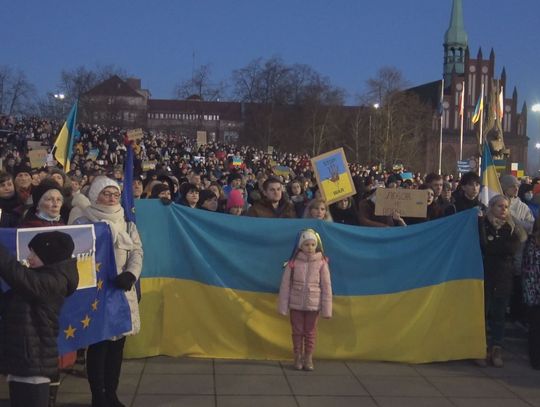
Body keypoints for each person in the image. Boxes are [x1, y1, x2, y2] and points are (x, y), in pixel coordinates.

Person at [70, 176, 143, 407]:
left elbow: (137, 252)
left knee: (116, 348)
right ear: (95, 196)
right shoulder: (83, 222)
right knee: (98, 346)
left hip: (121, 292)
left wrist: (131, 274)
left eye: (115, 194)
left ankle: (112, 394)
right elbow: (76, 257)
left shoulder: (128, 223)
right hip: (96, 296)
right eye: (106, 194)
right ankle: (98, 397)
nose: (112, 198)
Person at [0, 231, 79, 407]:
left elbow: (16, 274)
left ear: (49, 256)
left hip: (35, 362)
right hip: (21, 361)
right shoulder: (37, 279)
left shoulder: (54, 281)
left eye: (34, 253)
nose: (29, 258)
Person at [478, 194, 527, 367]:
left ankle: (497, 346)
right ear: (491, 207)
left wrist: (494, 246)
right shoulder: (483, 225)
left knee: (499, 314)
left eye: (505, 206)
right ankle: (480, 346)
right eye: (499, 206)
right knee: (482, 311)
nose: (503, 210)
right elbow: (484, 245)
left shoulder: (513, 228)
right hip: (485, 273)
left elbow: (510, 248)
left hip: (504, 275)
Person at [277, 229, 332, 371]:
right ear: (301, 246)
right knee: (297, 331)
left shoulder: (321, 263)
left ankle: (308, 357)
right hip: (296, 304)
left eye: (313, 244)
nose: (310, 248)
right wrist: (283, 307)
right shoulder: (293, 263)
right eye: (307, 244)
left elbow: (326, 287)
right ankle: (297, 356)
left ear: (317, 246)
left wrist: (327, 310)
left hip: (313, 305)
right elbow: (285, 285)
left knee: (310, 332)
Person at [521, 215, 540, 370]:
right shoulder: (532, 244)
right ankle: (536, 359)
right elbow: (530, 271)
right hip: (535, 293)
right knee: (536, 328)